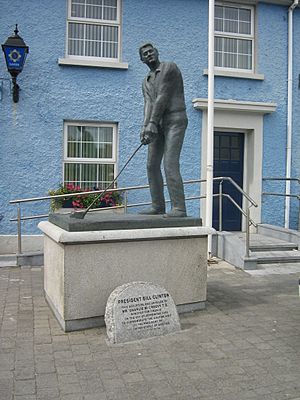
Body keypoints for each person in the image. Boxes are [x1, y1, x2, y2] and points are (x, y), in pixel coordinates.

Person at [139, 42, 188, 218]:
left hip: (175, 119)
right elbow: (148, 103)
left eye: (151, 51)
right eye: (145, 54)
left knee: (170, 163)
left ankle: (179, 208)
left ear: (157, 52)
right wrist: (145, 127)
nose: (149, 54)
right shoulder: (145, 81)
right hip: (156, 123)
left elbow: (163, 96)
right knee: (151, 165)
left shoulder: (169, 68)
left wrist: (152, 122)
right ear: (142, 60)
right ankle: (157, 205)